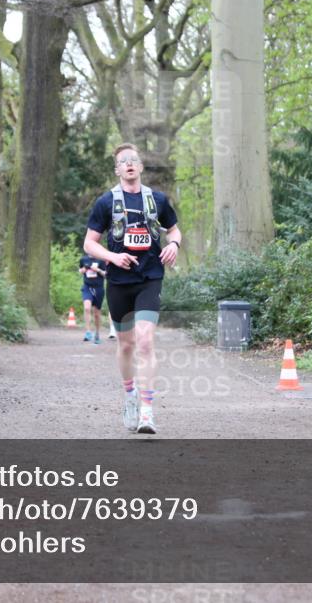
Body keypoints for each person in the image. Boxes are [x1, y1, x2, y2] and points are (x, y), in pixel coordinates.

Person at [84, 143, 181, 434]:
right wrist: (113, 257)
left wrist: (173, 243)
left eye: (133, 160)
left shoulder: (158, 200)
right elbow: (89, 242)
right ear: (117, 169)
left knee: (146, 341)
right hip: (118, 281)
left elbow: (173, 229)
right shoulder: (105, 202)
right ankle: (130, 396)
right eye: (123, 161)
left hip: (150, 278)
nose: (128, 164)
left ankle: (148, 412)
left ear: (140, 167)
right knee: (126, 344)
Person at [78, 254, 106, 343]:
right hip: (87, 287)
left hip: (98, 288)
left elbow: (106, 274)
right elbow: (80, 270)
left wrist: (97, 270)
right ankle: (88, 332)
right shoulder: (83, 259)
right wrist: (84, 270)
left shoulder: (101, 259)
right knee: (87, 308)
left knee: (96, 314)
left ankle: (97, 334)